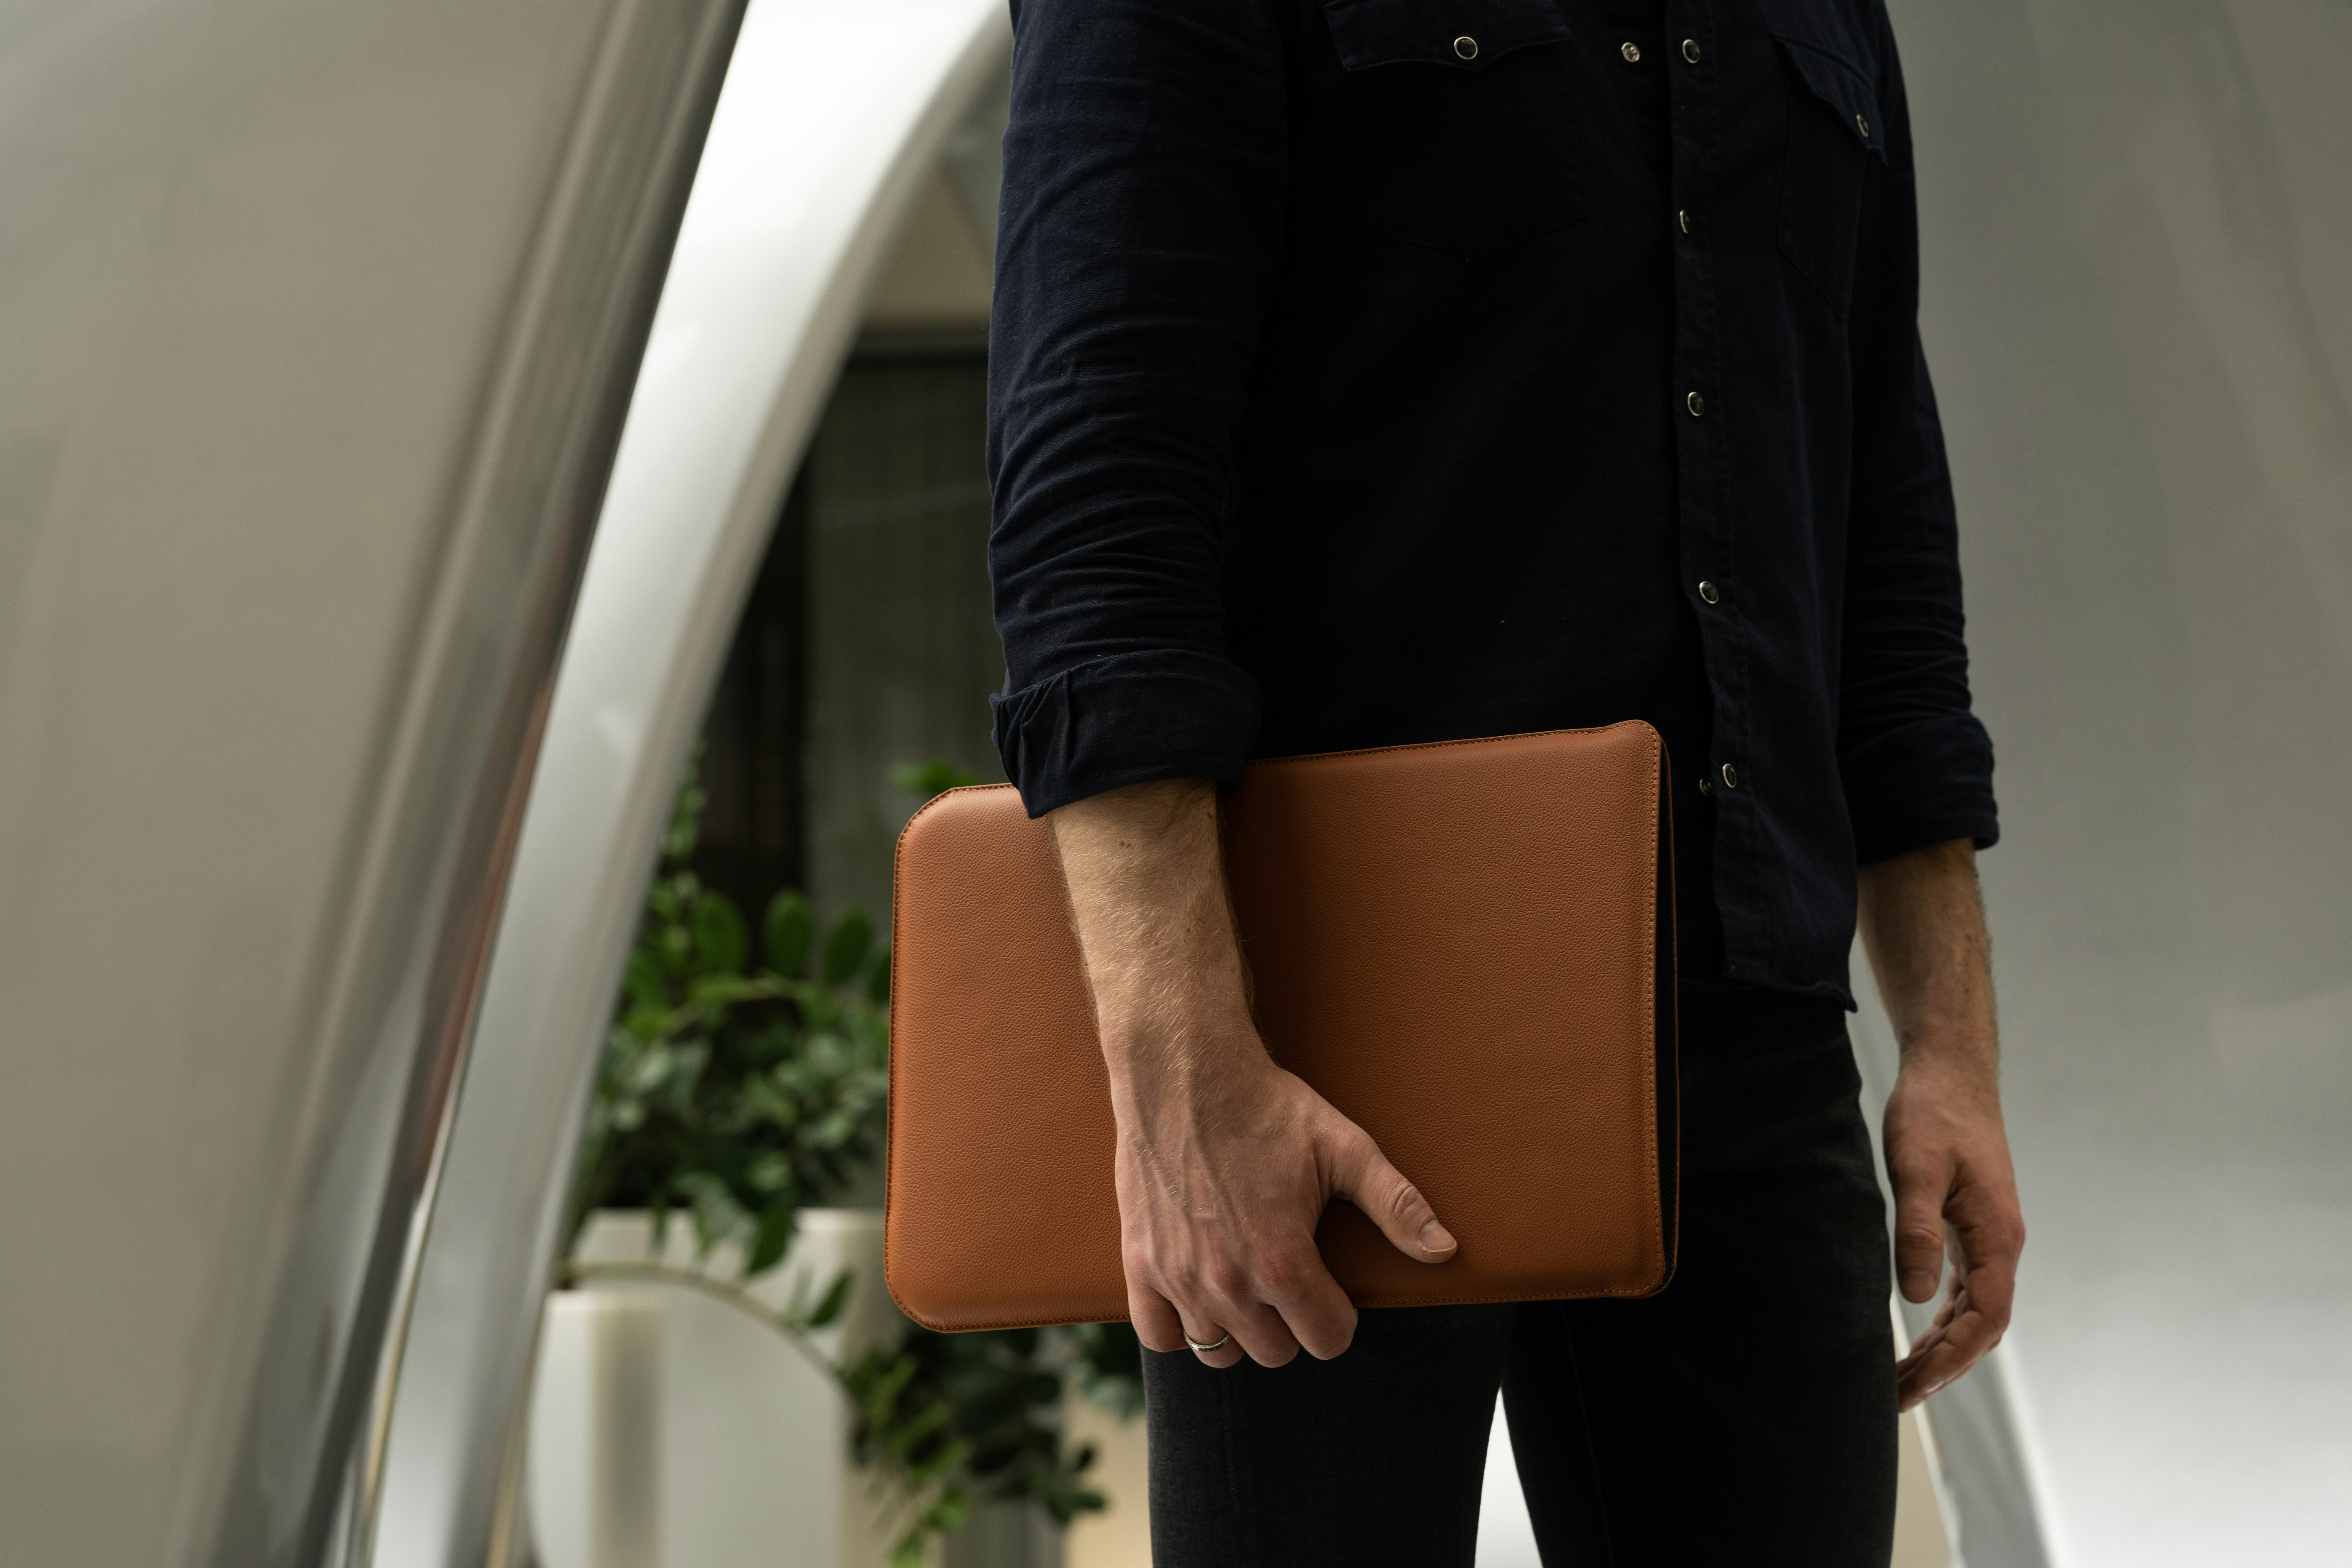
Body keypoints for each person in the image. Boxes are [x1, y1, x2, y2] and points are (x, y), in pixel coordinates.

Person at [983, 0, 2025, 1561]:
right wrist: (1181, 1070)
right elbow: (1098, 465)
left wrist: (1950, 1043)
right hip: (1327, 1030)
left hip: (1748, 1026)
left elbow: (1877, 511)